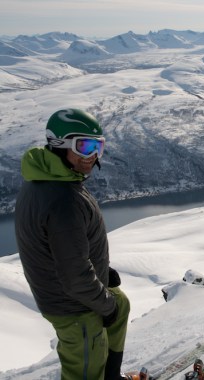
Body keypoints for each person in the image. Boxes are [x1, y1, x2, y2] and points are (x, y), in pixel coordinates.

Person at [14, 109, 131, 380]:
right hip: (74, 308)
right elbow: (75, 279)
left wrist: (103, 271)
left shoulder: (53, 179)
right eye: (84, 146)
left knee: (120, 304)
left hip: (72, 292)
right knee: (86, 368)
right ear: (59, 146)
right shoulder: (63, 200)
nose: (93, 155)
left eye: (98, 146)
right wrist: (105, 305)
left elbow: (66, 246)